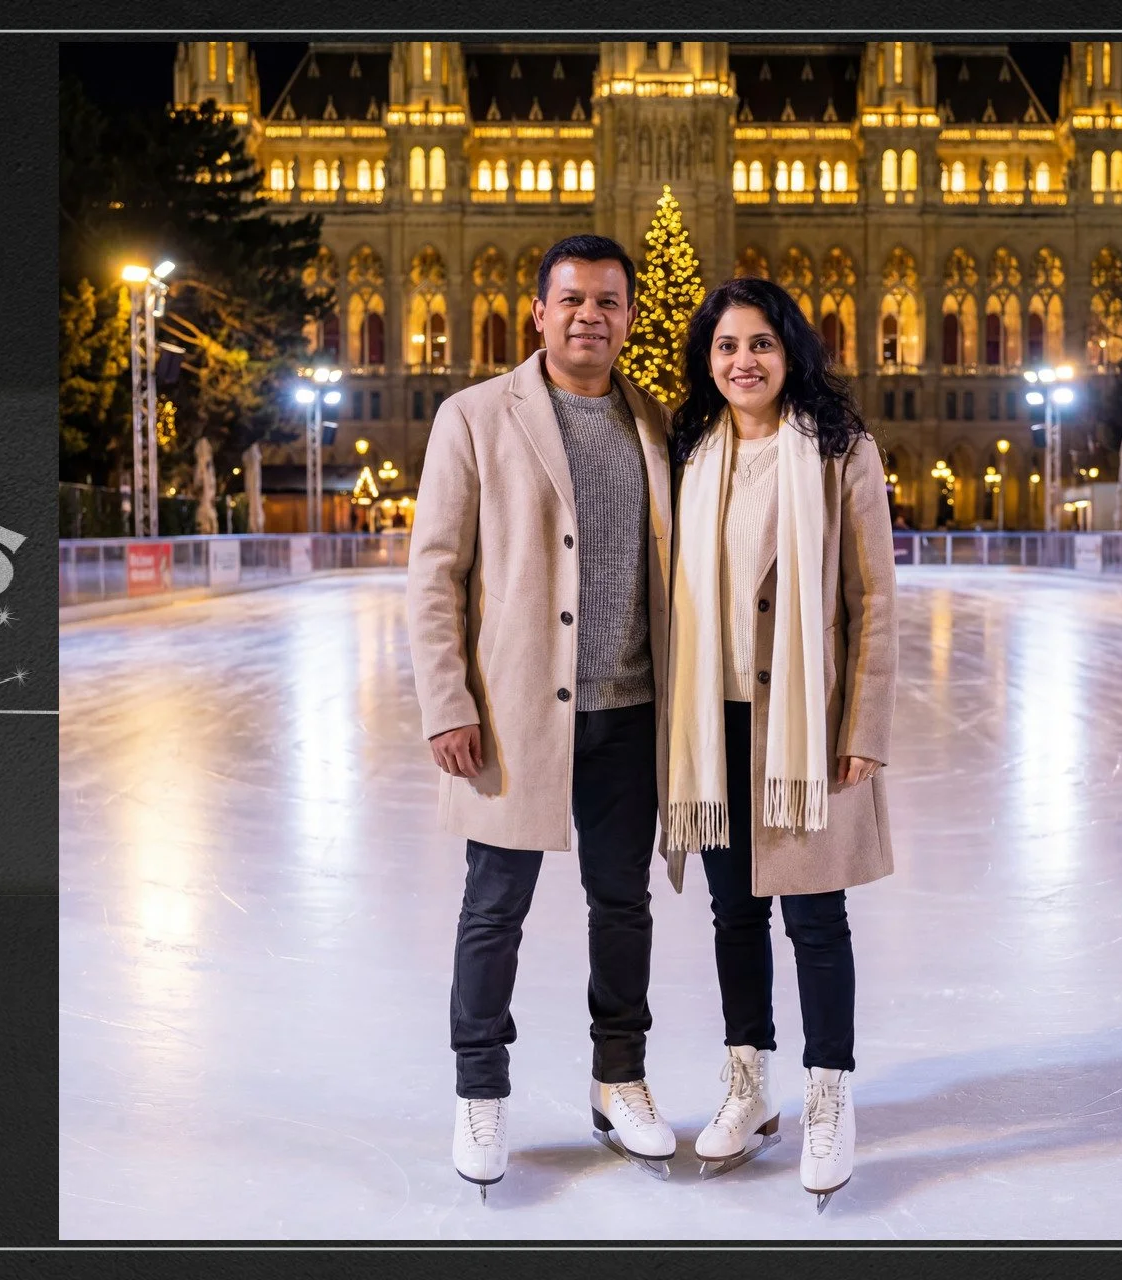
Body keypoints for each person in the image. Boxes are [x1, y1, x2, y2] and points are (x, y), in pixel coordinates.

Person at [406, 235, 677, 1195]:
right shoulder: (474, 416)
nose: (589, 316)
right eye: (572, 300)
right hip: (516, 716)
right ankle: (480, 1091)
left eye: (608, 301)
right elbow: (433, 574)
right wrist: (447, 702)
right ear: (539, 310)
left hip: (630, 713)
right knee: (494, 909)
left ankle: (621, 1079)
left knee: (624, 906)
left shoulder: (657, 421)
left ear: (631, 317)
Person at [660, 277, 896, 1211]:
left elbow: (874, 595)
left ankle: (828, 1092)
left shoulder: (838, 449)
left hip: (801, 722)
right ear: (706, 361)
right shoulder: (690, 449)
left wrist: (863, 725)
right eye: (725, 346)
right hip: (710, 719)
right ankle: (749, 1085)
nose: (743, 362)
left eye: (759, 343)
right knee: (731, 916)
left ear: (790, 351)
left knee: (814, 918)